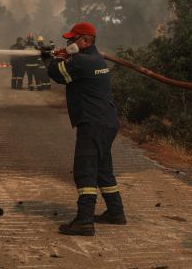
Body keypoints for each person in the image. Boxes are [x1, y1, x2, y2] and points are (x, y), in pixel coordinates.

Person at [44, 22, 125, 236]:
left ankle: (84, 221)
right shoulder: (95, 59)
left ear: (86, 41)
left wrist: (52, 59)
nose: (69, 42)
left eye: (73, 39)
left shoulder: (82, 61)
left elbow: (58, 75)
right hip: (106, 122)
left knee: (85, 170)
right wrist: (63, 57)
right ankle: (116, 212)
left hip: (93, 123)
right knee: (103, 169)